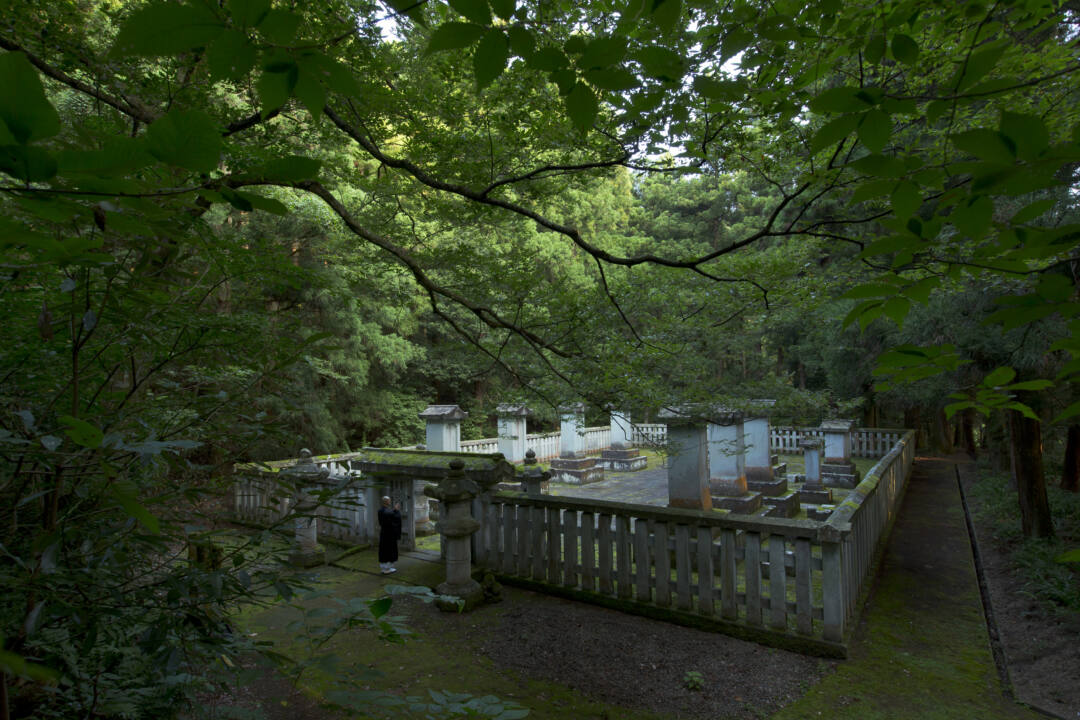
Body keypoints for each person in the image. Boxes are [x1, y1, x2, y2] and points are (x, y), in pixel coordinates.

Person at [377, 496, 402, 574]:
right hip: (389, 535)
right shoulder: (387, 512)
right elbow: (394, 518)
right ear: (387, 502)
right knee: (389, 550)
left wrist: (394, 510)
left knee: (383, 550)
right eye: (389, 501)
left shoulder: (380, 511)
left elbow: (389, 515)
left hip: (384, 533)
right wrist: (397, 511)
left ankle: (384, 568)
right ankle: (387, 568)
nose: (390, 502)